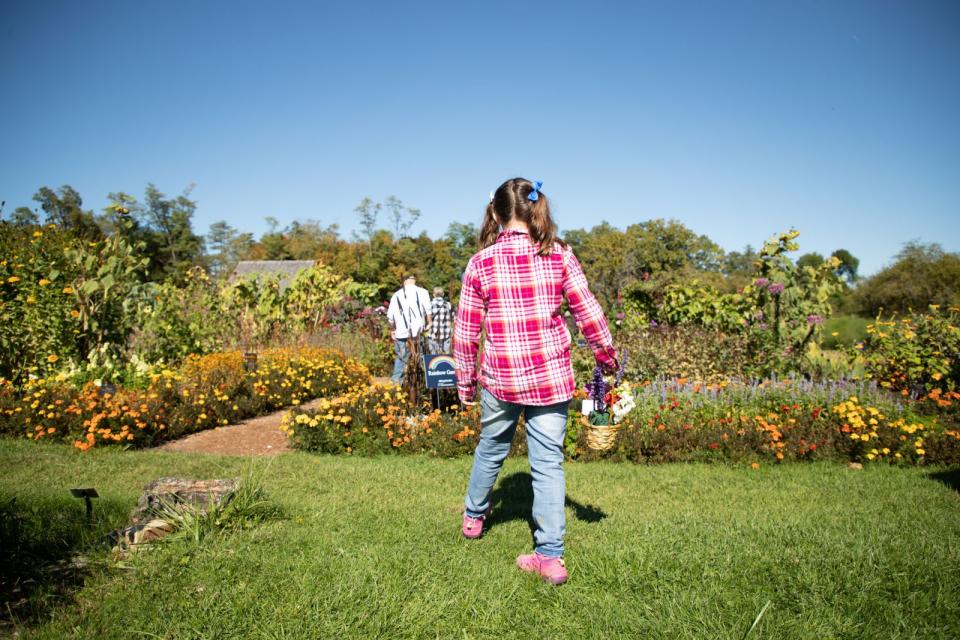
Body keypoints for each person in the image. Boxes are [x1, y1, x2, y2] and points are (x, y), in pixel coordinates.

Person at [453, 177, 617, 585]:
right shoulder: (559, 254)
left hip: (500, 379)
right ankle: (550, 558)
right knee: (547, 465)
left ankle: (474, 519)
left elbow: (466, 332)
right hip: (550, 377)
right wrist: (607, 356)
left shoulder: (480, 262)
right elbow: (588, 312)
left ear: (495, 212)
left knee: (490, 449)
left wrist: (465, 384)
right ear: (535, 208)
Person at [387, 275, 432, 384]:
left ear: (404, 282)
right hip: (417, 333)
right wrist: (429, 322)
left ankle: (396, 385)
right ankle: (422, 384)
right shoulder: (423, 292)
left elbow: (390, 317)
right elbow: (428, 310)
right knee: (420, 357)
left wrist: (393, 329)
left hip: (401, 332)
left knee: (401, 358)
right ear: (414, 281)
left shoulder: (396, 295)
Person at [428, 286, 453, 354]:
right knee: (446, 354)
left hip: (433, 332)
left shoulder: (429, 304)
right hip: (446, 333)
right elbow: (452, 317)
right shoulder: (448, 304)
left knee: (433, 354)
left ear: (433, 294)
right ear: (443, 294)